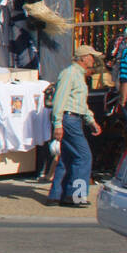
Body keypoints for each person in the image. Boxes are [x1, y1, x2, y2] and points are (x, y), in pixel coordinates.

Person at [48, 45, 103, 207]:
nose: (93, 60)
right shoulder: (70, 74)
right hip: (69, 119)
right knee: (83, 156)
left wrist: (91, 121)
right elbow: (60, 99)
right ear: (84, 58)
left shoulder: (78, 75)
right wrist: (57, 123)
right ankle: (75, 195)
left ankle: (56, 195)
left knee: (68, 157)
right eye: (91, 56)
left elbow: (80, 103)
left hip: (74, 118)